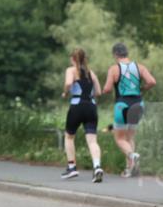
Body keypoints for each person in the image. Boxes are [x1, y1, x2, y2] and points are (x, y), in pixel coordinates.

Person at [102, 42, 156, 178]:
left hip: (122, 105)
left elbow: (107, 89)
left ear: (115, 54)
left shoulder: (114, 69)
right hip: (138, 104)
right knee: (129, 137)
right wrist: (142, 89)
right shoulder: (140, 67)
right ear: (126, 53)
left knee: (120, 139)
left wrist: (104, 91)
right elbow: (152, 82)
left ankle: (132, 155)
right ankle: (130, 169)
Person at [61, 48, 104, 182]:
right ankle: (97, 167)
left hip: (77, 106)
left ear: (73, 59)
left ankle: (72, 167)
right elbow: (98, 92)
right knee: (92, 141)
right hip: (91, 107)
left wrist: (65, 92)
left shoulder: (71, 70)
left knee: (69, 136)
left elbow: (68, 83)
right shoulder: (91, 73)